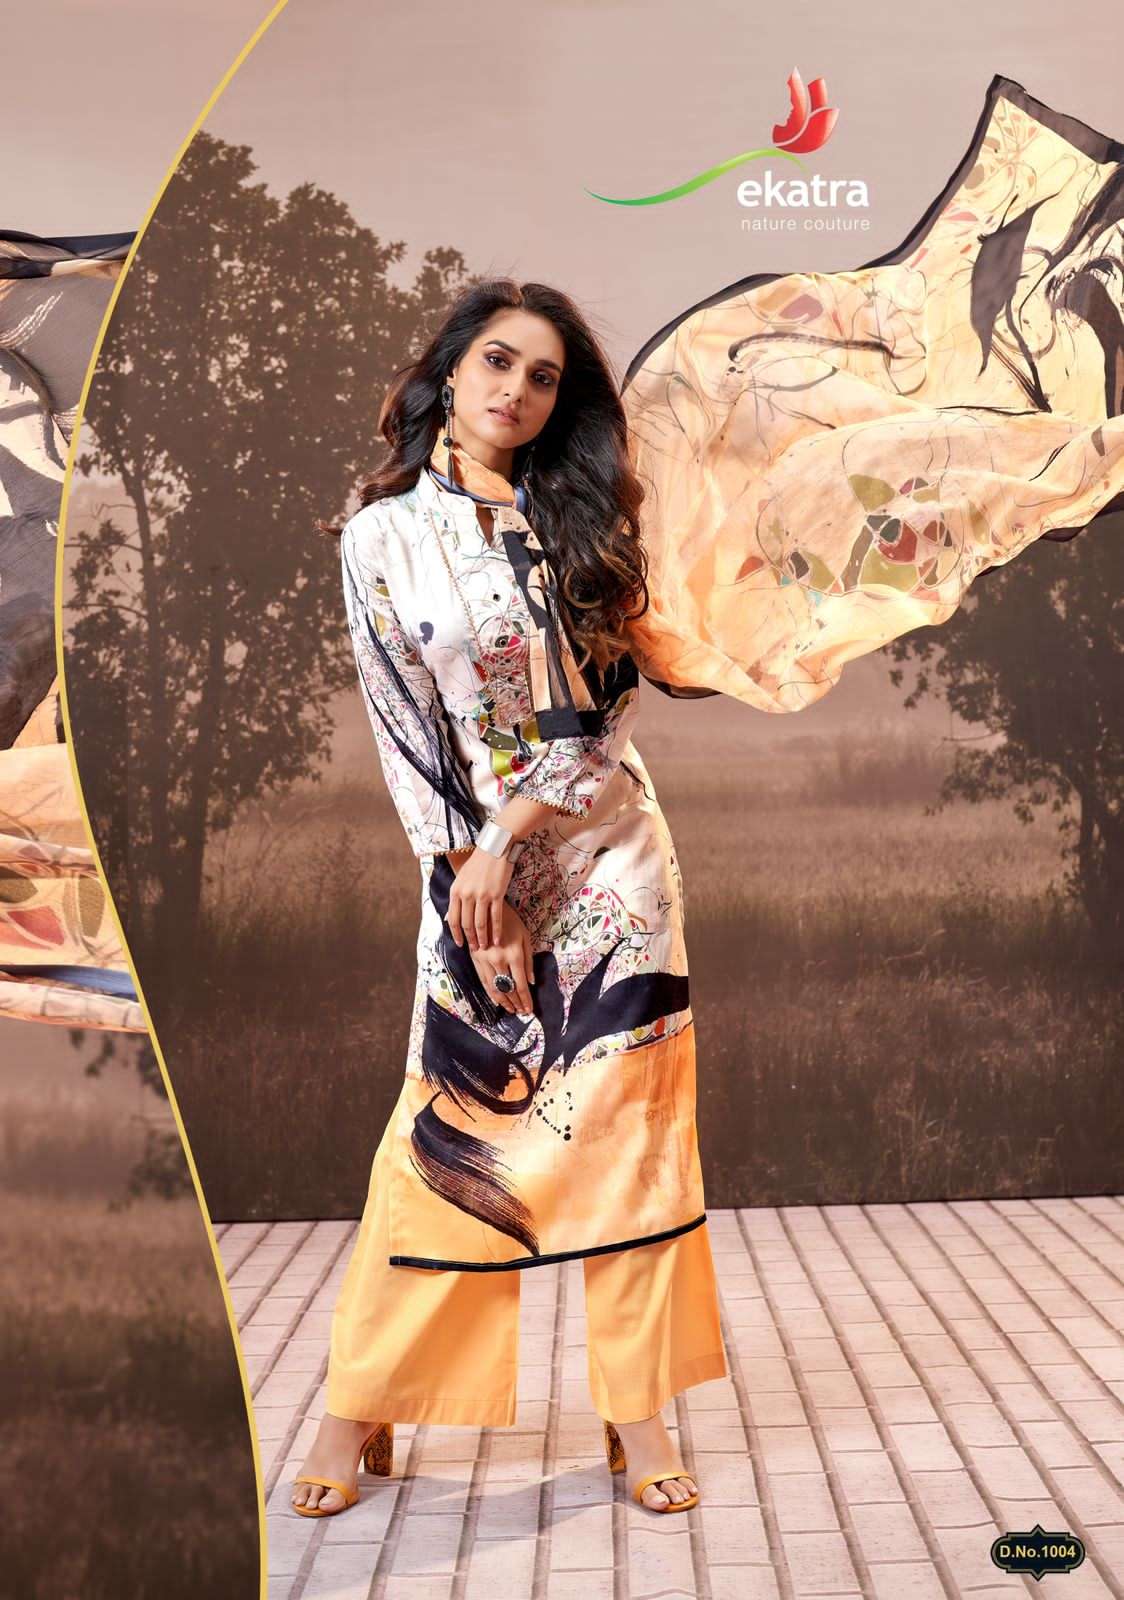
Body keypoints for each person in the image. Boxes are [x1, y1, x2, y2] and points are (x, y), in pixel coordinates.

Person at [291, 279, 728, 1518]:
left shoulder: (580, 521)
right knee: (447, 1140)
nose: (515, 391)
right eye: (495, 361)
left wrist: (507, 844)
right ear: (449, 368)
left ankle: (636, 1413)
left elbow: (609, 711)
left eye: (542, 377)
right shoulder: (380, 536)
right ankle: (360, 1403)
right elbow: (404, 732)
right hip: (468, 879)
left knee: (630, 1137)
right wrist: (465, 879)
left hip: (611, 868)